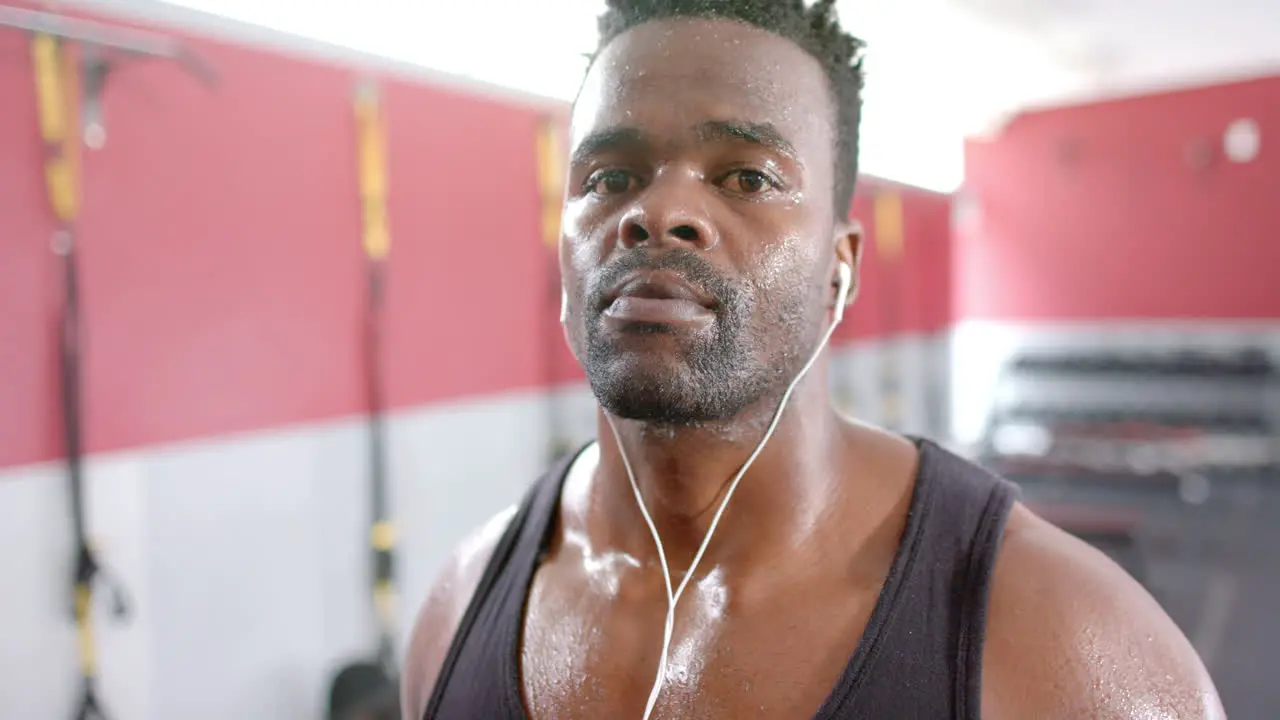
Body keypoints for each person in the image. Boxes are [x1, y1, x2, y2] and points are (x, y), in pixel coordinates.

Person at [403, 1, 1224, 718]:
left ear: (842, 270)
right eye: (609, 175)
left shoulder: (1072, 651)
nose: (659, 212)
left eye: (747, 177)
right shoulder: (461, 605)